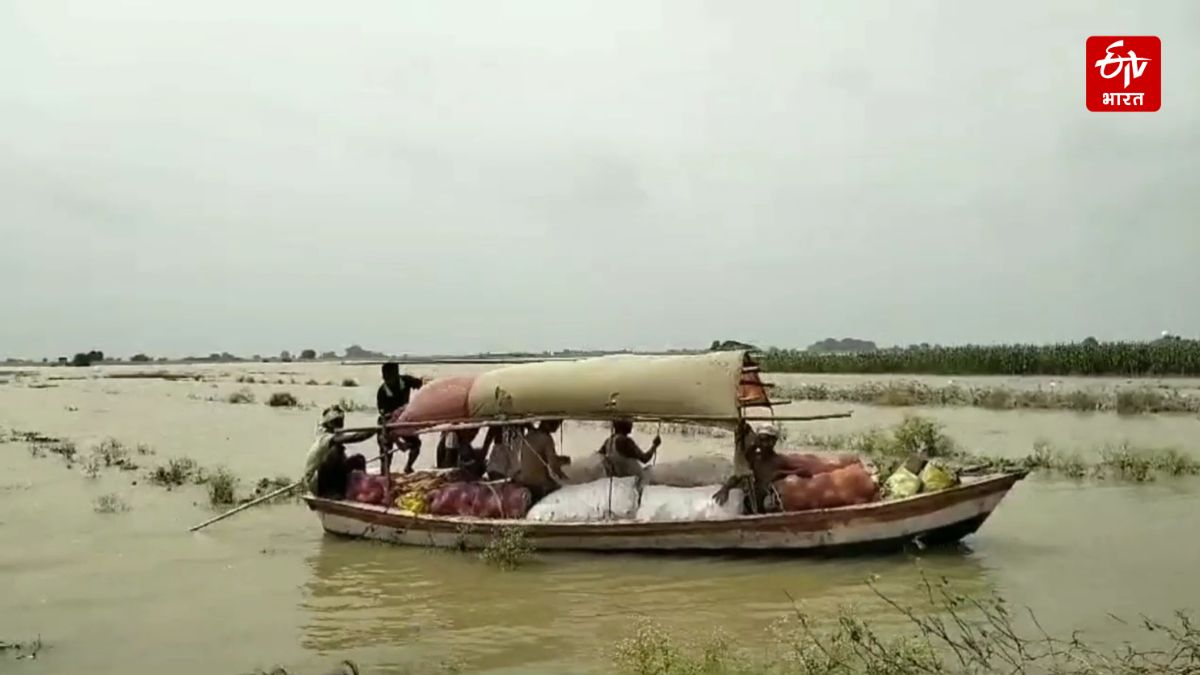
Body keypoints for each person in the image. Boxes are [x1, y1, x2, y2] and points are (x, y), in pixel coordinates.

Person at [713, 422, 807, 513]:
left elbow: (805, 471)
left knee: (770, 504)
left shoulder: (779, 460)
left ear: (773, 441)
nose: (763, 444)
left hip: (769, 500)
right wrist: (725, 489)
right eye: (761, 440)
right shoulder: (754, 458)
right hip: (753, 499)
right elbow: (740, 474)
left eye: (766, 440)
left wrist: (781, 474)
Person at [303, 405, 377, 499]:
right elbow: (354, 438)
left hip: (329, 475)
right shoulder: (324, 436)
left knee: (358, 459)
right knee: (335, 451)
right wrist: (374, 431)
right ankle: (329, 492)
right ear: (329, 423)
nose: (339, 425)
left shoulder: (336, 434)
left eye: (340, 422)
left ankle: (356, 487)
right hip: (316, 483)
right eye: (336, 422)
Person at [376, 362, 425, 474]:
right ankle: (385, 474)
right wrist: (398, 442)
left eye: (390, 376)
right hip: (388, 423)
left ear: (396, 374)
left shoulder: (406, 381)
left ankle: (408, 467)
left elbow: (422, 384)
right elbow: (385, 419)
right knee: (386, 451)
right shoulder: (382, 392)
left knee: (416, 445)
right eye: (385, 376)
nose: (386, 379)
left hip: (403, 419)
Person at [512, 419, 569, 500]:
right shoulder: (546, 438)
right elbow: (553, 465)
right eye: (558, 423)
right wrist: (564, 478)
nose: (557, 427)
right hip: (539, 484)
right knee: (565, 491)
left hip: (525, 481)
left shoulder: (529, 435)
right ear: (549, 423)